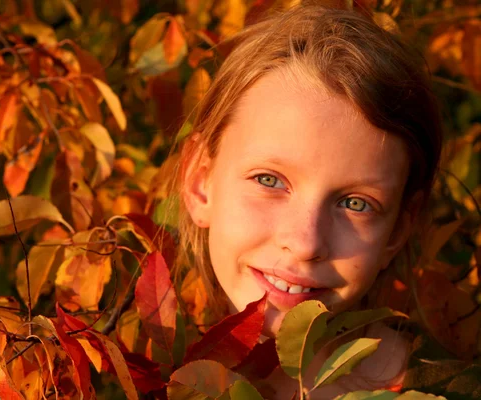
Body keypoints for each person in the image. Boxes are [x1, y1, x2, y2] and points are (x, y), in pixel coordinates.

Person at [172, 4, 443, 399]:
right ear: (200, 182)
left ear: (398, 230)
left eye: (356, 203)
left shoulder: (446, 388)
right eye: (269, 180)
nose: (305, 243)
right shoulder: (125, 372)